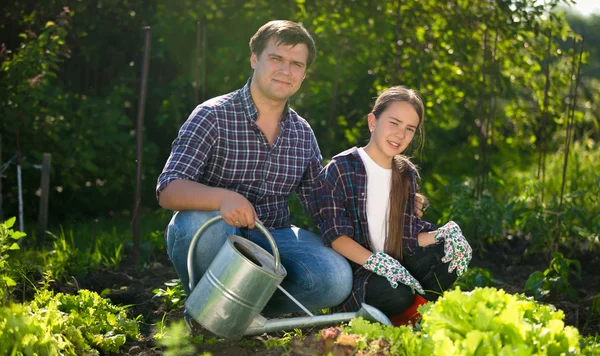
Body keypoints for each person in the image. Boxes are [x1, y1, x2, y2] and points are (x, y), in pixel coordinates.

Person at [156, 20, 354, 316]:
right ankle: (205, 313)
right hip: (216, 232)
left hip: (273, 237)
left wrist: (386, 202)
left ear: (303, 74)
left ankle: (240, 310)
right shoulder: (213, 115)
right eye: (276, 58)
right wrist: (223, 199)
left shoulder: (302, 133)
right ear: (254, 59)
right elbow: (169, 189)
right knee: (196, 222)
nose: (285, 70)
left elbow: (322, 204)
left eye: (296, 64)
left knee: (336, 279)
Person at [311, 85, 472, 325]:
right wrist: (376, 262)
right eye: (394, 123)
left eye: (409, 129)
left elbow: (408, 238)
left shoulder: (405, 174)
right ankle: (397, 312)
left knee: (448, 254)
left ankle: (417, 312)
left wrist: (444, 234)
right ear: (372, 122)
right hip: (360, 273)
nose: (400, 134)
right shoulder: (341, 169)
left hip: (398, 262)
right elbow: (336, 237)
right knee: (395, 293)